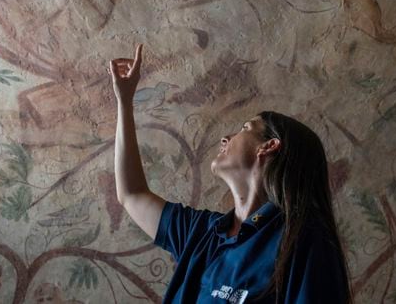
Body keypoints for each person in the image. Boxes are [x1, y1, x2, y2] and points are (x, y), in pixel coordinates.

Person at [109, 44, 352, 303]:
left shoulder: (303, 242)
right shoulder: (201, 232)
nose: (225, 138)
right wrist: (124, 102)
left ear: (268, 146)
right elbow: (132, 194)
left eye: (245, 127)